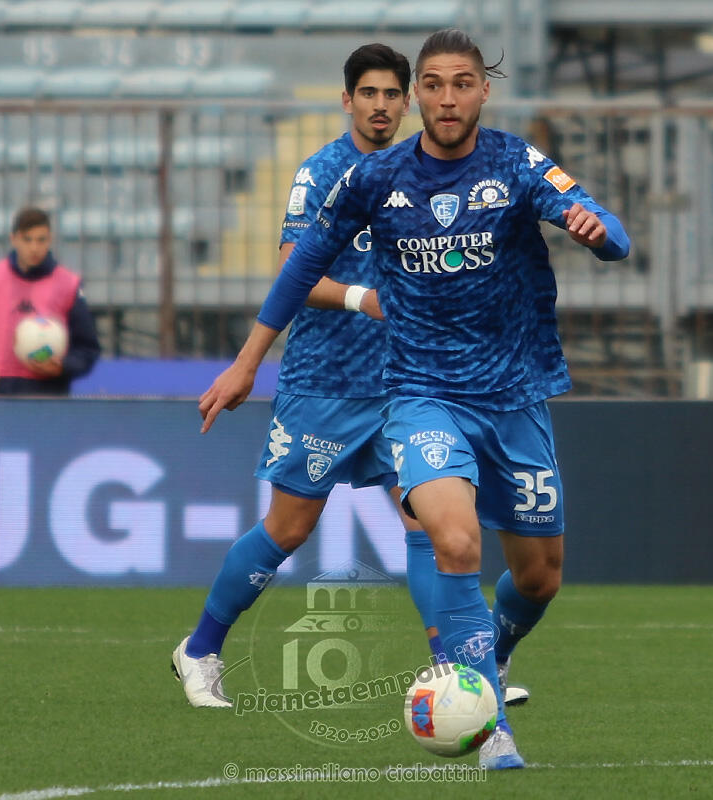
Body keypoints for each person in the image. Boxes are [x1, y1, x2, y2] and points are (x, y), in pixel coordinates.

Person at [198, 29, 630, 769]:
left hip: (515, 397)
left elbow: (612, 233)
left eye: (462, 83)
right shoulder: (375, 178)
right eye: (434, 84)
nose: (447, 98)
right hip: (422, 396)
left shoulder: (517, 163)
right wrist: (246, 364)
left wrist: (598, 233)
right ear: (418, 96)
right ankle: (490, 726)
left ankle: (488, 654)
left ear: (483, 90)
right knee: (453, 540)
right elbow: (298, 269)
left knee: (539, 577)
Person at [172, 42, 460, 710]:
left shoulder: (424, 174)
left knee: (428, 524)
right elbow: (291, 268)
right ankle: (201, 648)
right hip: (324, 382)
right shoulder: (324, 171)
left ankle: (455, 670)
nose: (381, 106)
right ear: (347, 100)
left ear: (408, 102)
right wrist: (364, 299)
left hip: (403, 385)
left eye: (392, 94)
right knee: (289, 529)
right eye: (369, 94)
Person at [0, 206, 100, 395]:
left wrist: (62, 367)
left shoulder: (68, 284)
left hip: (47, 396)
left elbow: (87, 348)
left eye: (41, 240)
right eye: (27, 240)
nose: (34, 248)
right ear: (14, 239)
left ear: (50, 240)